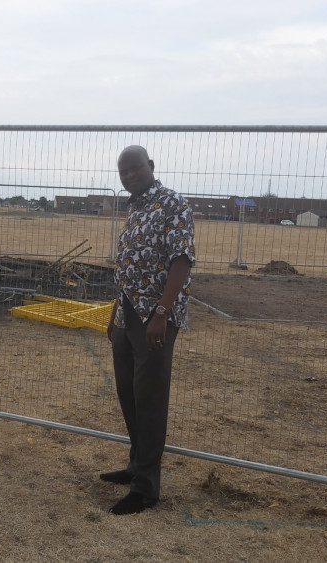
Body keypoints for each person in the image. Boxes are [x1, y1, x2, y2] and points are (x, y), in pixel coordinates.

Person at [103, 145, 195, 515]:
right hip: (126, 315)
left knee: (151, 400)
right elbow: (129, 267)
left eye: (135, 169)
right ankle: (135, 466)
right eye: (123, 172)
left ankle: (146, 489)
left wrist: (162, 312)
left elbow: (181, 260)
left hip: (155, 318)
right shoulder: (135, 207)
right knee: (129, 394)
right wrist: (114, 312)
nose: (129, 176)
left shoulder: (174, 204)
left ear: (151, 166)